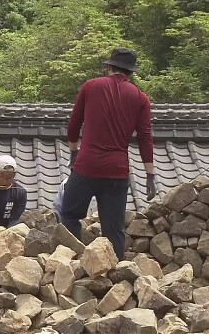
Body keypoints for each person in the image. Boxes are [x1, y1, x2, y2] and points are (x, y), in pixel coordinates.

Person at [61, 47, 156, 261]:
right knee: (114, 229)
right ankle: (116, 275)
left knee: (69, 214)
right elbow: (145, 137)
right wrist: (150, 175)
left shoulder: (91, 86)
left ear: (109, 67)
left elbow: (74, 124)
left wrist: (74, 152)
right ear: (131, 72)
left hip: (87, 165)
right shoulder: (140, 98)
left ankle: (70, 262)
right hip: (117, 171)